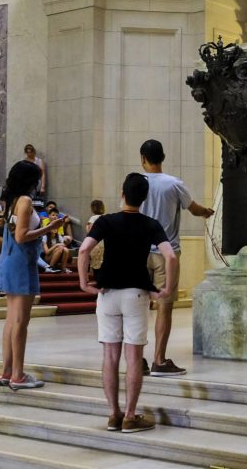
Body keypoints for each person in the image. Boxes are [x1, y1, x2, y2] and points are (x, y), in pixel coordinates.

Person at [78, 172, 177, 434]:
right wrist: (166, 288)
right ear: (143, 198)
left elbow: (83, 249)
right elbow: (171, 257)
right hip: (136, 294)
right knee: (133, 356)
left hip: (108, 294)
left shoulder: (106, 221)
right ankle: (131, 416)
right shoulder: (151, 224)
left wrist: (83, 282)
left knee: (110, 355)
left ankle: (113, 414)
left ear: (122, 194)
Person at [138, 139, 214, 377]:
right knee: (164, 306)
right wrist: (207, 212)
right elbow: (193, 208)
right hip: (166, 252)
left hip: (138, 252)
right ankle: (159, 360)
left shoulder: (135, 182)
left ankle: (136, 358)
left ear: (143, 159)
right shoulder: (174, 184)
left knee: (136, 306)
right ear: (163, 157)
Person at [0, 158, 53, 391]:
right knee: (20, 321)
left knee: (12, 320)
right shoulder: (26, 201)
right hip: (21, 261)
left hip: (10, 259)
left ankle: (7, 371)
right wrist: (49, 228)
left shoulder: (11, 201)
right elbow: (22, 235)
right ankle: (18, 375)